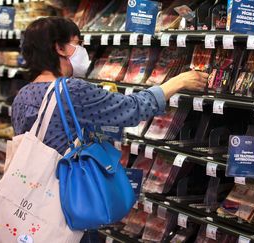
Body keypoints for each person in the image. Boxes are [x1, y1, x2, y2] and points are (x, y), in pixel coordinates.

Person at [12, 17, 208, 242]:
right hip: (70, 203)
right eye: (78, 43)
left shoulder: (23, 95)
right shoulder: (72, 90)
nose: (82, 50)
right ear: (60, 48)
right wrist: (177, 82)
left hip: (31, 201)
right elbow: (131, 109)